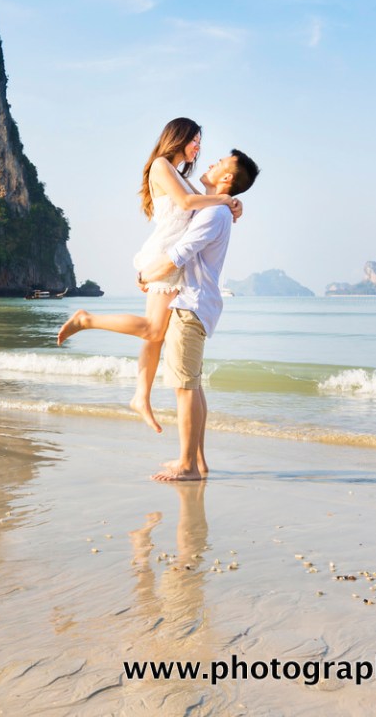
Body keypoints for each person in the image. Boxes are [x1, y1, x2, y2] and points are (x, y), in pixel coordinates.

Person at [57, 118, 241, 433]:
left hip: (172, 258)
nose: (198, 146)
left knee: (154, 336)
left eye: (200, 141)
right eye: (194, 139)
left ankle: (141, 397)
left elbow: (202, 207)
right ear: (178, 137)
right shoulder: (160, 166)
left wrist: (233, 204)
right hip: (165, 256)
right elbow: (187, 204)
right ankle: (86, 319)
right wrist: (223, 199)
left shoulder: (183, 178)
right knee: (154, 331)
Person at [140, 150, 257, 481]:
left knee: (185, 388)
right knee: (193, 385)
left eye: (218, 163)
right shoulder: (217, 209)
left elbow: (178, 255)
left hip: (190, 304)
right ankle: (199, 461)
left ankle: (187, 465)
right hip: (198, 303)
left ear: (227, 179)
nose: (210, 163)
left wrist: (145, 276)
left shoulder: (213, 214)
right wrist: (233, 203)